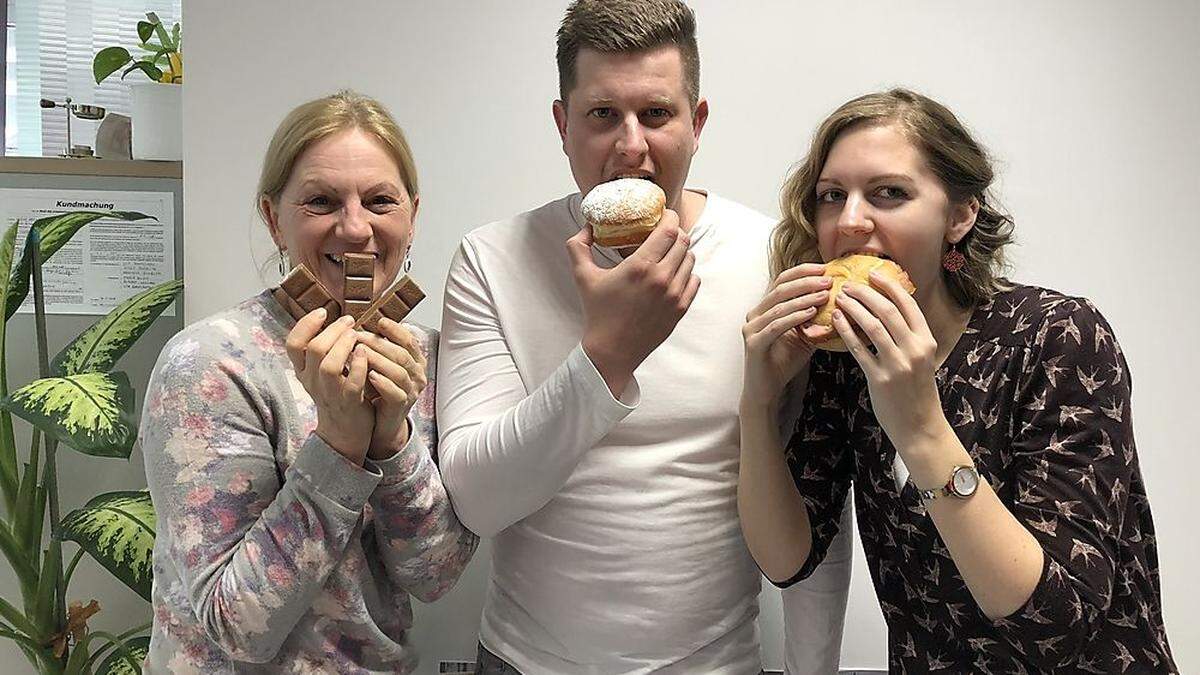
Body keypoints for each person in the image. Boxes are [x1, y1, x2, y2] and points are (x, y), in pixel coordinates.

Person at [436, 2, 850, 673]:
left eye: (657, 114)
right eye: (602, 115)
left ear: (697, 123)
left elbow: (819, 509)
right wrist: (607, 356)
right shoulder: (493, 258)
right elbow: (477, 503)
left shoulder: (771, 257)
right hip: (522, 661)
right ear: (562, 125)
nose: (631, 146)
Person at [738, 88, 1177, 673]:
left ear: (960, 215)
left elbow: (1058, 619)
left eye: (889, 193)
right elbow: (786, 558)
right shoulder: (842, 361)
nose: (848, 221)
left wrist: (919, 426)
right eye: (831, 196)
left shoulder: (1057, 336)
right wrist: (758, 403)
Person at [140, 91, 477, 673]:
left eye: (380, 201)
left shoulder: (426, 359)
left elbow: (435, 574)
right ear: (274, 219)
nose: (355, 228)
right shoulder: (210, 365)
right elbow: (236, 626)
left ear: (413, 215)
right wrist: (341, 445)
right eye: (321, 201)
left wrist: (393, 440)